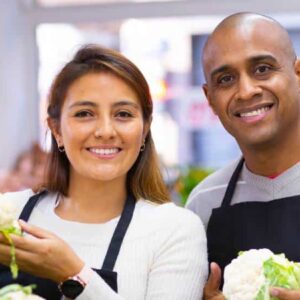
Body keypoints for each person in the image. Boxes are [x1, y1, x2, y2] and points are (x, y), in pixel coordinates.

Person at [0, 45, 208, 300]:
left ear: (144, 130)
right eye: (85, 114)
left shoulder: (174, 230)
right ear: (56, 130)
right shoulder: (9, 215)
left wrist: (73, 274)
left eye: (123, 114)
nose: (106, 131)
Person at [186, 12, 300, 300]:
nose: (247, 91)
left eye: (262, 69)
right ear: (210, 98)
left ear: (297, 74)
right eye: (225, 79)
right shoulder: (203, 203)